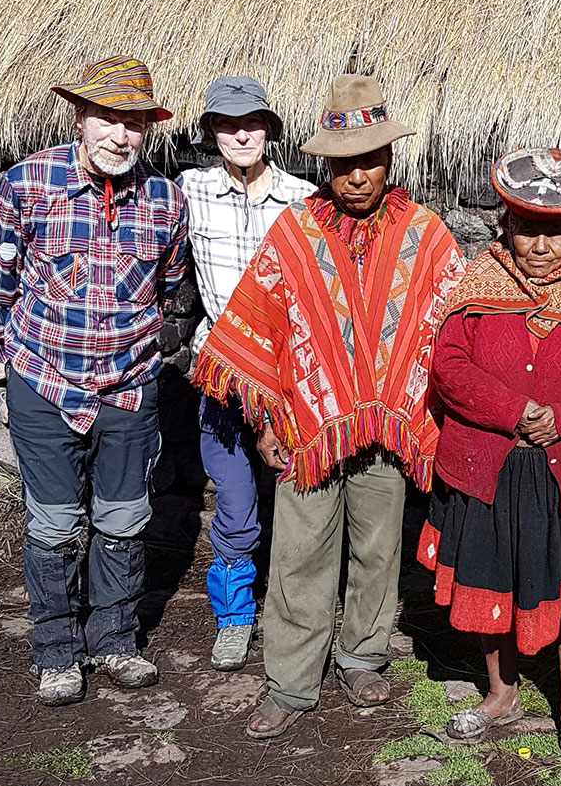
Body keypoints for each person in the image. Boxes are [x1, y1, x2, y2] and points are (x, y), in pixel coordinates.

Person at [193, 74, 463, 738]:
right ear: (326, 164)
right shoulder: (294, 233)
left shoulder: (426, 236)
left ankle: (363, 653)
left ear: (390, 159)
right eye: (345, 163)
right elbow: (255, 328)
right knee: (299, 552)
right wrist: (262, 423)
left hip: (391, 425)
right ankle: (289, 680)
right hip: (307, 428)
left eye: (371, 160)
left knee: (377, 548)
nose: (359, 175)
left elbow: (458, 321)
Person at [417, 147, 561, 758]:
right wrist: (515, 413)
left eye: (555, 232)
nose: (540, 246)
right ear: (505, 228)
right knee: (493, 578)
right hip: (489, 467)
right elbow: (450, 366)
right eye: (528, 231)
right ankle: (501, 694)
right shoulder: (476, 287)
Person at [0, 56, 188, 706]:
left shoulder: (165, 201)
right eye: (108, 117)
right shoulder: (26, 184)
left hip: (129, 387)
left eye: (134, 121)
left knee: (125, 518)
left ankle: (114, 639)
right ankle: (56, 652)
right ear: (80, 116)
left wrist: (133, 353)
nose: (120, 135)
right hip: (45, 382)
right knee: (53, 522)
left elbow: (171, 286)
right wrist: (14, 357)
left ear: (147, 130)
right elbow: (2, 285)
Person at [180, 77, 316, 671]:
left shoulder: (304, 200)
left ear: (269, 129)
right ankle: (235, 616)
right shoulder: (188, 192)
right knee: (235, 500)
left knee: (298, 492)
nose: (241, 133)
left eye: (252, 122)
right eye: (227, 123)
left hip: (292, 378)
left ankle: (298, 609)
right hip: (223, 373)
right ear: (211, 132)